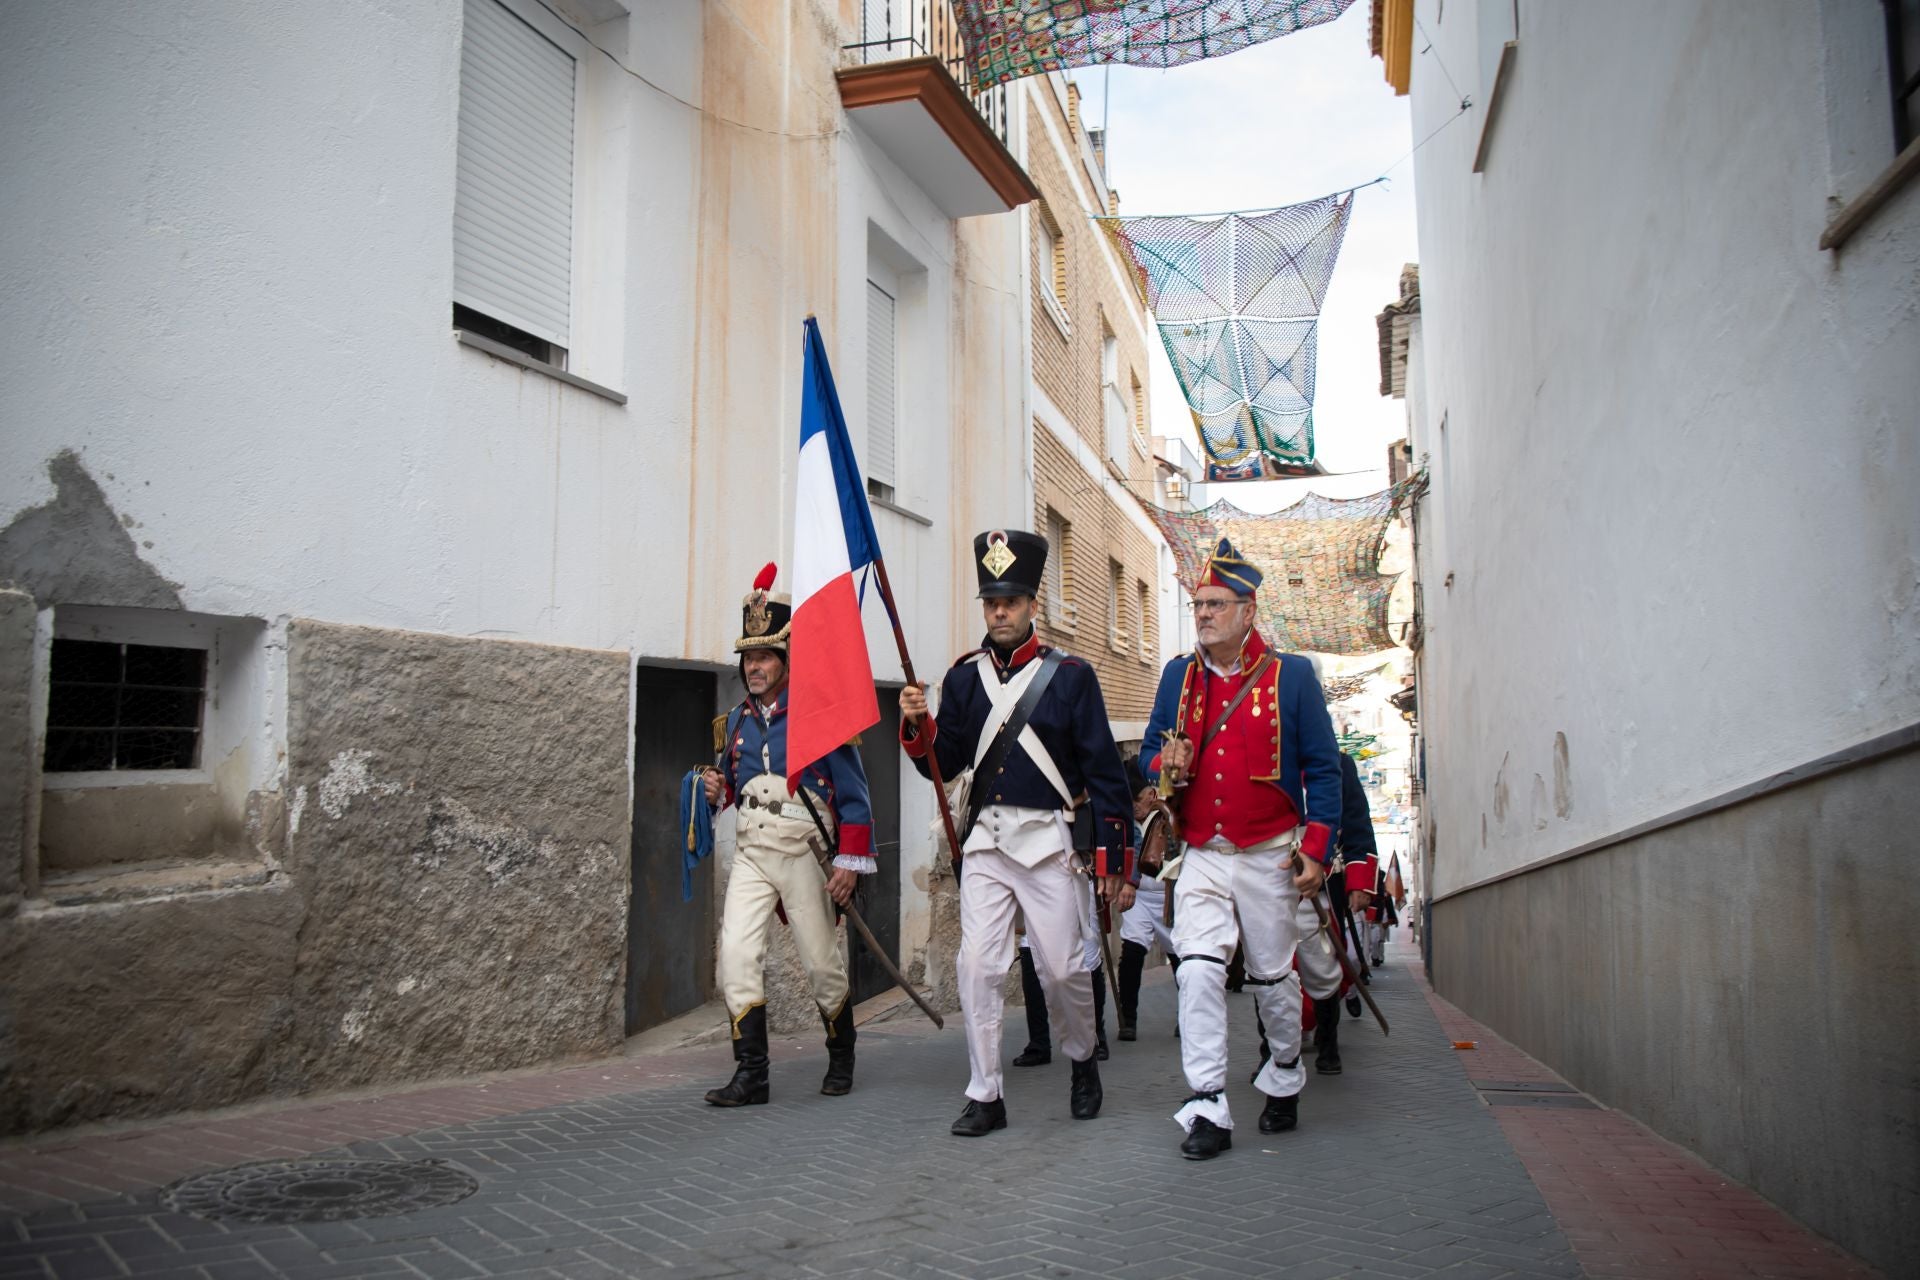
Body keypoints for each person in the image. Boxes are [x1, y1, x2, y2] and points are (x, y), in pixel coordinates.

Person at [900, 529, 1134, 1137]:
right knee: (977, 968)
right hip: (985, 845)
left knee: (1060, 971)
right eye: (990, 601)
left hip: (1047, 843)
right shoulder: (964, 677)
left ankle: (1082, 1060)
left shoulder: (1071, 677)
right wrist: (916, 727)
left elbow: (1105, 772)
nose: (999, 611)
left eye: (1011, 599)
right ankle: (985, 1093)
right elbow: (943, 762)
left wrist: (1111, 853)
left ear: (1033, 604)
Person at [1139, 536, 1343, 1161]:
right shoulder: (1178, 676)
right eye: (1197, 604)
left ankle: (1283, 1072)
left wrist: (1316, 848)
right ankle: (1207, 1103)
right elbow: (1150, 754)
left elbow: (1324, 770)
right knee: (1197, 969)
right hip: (1202, 852)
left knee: (1272, 980)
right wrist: (1163, 764)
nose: (1202, 614)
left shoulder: (1293, 676)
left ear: (1247, 611)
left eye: (1216, 605)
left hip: (1268, 853)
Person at [700, 563, 875, 1107]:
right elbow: (730, 786)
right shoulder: (734, 724)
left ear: (785, 660)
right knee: (735, 956)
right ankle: (752, 1074)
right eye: (749, 657)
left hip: (803, 853)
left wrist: (849, 862)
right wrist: (712, 792)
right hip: (753, 853)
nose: (754, 666)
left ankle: (841, 1052)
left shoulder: (818, 717)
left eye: (765, 656)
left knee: (822, 963)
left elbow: (855, 798)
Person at [1117, 755, 1177, 1042]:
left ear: (1151, 795)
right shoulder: (1127, 821)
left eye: (1137, 800)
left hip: (1166, 894)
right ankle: (1128, 1019)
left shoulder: (1169, 816)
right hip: (1139, 896)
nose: (1133, 806)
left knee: (1181, 958)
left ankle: (1188, 1015)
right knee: (1131, 954)